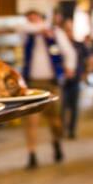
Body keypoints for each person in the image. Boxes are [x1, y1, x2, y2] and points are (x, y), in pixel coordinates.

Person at [20, 9, 74, 168]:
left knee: (55, 119)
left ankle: (56, 143)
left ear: (41, 18)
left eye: (34, 18)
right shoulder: (27, 34)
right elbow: (22, 27)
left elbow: (69, 52)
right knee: (31, 121)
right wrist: (40, 28)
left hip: (51, 82)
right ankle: (32, 154)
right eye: (29, 18)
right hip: (31, 82)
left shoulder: (56, 33)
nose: (32, 21)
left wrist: (69, 67)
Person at [60, 17, 88, 139]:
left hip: (75, 80)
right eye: (66, 30)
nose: (68, 32)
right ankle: (62, 129)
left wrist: (85, 73)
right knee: (62, 107)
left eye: (70, 30)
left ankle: (72, 130)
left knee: (74, 106)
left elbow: (88, 58)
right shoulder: (58, 45)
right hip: (61, 81)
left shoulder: (79, 45)